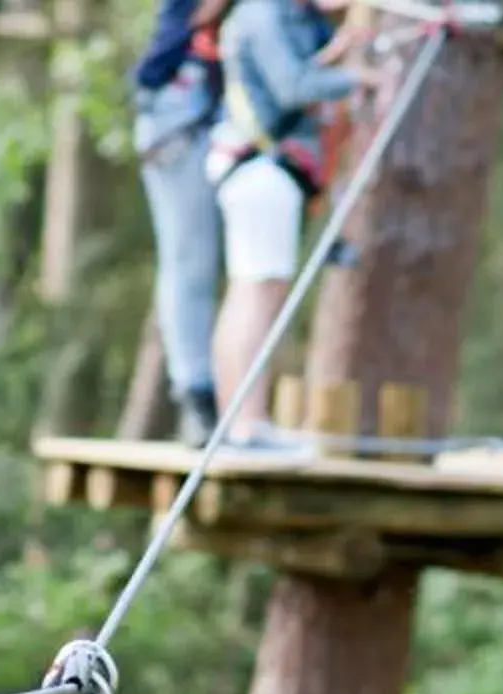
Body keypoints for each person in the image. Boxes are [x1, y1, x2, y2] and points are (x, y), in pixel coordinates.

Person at [205, 0, 360, 443]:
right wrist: (357, 77)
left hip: (252, 171)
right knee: (259, 297)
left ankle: (240, 420)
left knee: (248, 294)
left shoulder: (265, 14)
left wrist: (329, 59)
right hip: (262, 171)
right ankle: (249, 422)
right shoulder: (265, 13)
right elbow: (292, 86)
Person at [134, 0, 226, 443]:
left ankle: (213, 389)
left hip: (211, 115)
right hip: (178, 115)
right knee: (190, 261)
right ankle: (195, 390)